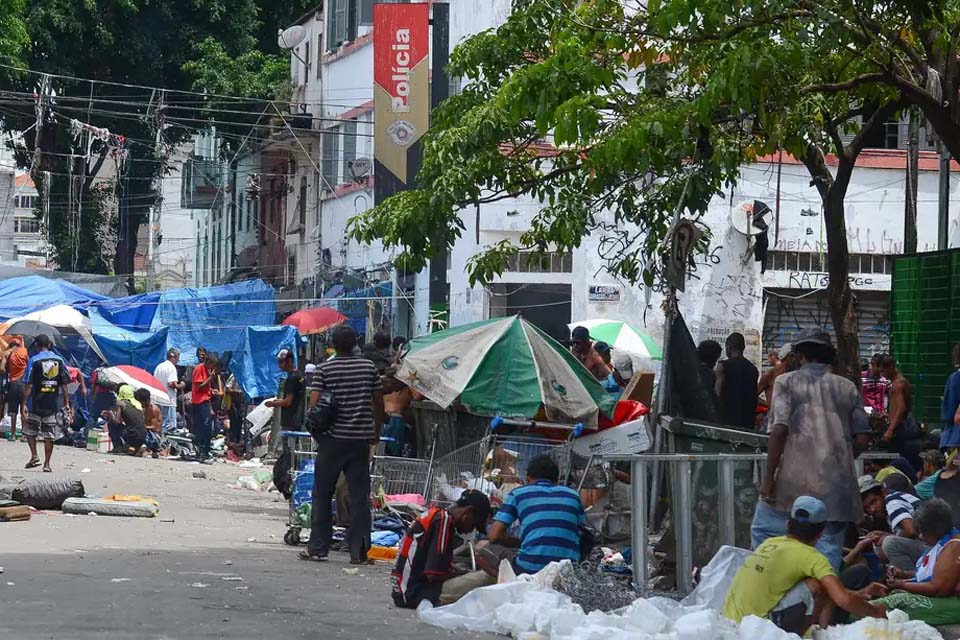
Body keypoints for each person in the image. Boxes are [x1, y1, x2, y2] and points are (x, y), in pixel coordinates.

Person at [753, 328, 871, 570]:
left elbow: (779, 430)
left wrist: (768, 480)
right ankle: (819, 603)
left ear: (800, 355)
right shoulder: (848, 387)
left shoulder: (786, 382)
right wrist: (840, 459)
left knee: (765, 534)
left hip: (792, 486)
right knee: (825, 559)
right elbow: (861, 440)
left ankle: (771, 594)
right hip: (837, 491)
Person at [723, 496, 887, 635]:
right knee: (818, 585)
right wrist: (875, 612)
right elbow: (842, 598)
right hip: (761, 631)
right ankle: (814, 634)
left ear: (788, 524)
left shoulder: (769, 543)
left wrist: (860, 593)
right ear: (821, 533)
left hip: (733, 625)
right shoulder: (812, 557)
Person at [300, 324, 385, 564]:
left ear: (333, 346)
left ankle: (317, 547)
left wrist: (318, 433)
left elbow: (314, 405)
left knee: (322, 494)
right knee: (358, 497)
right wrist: (374, 430)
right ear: (356, 343)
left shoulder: (324, 369)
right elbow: (378, 403)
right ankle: (359, 553)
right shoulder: (368, 368)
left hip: (331, 441)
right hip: (359, 440)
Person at [477, 455, 586, 578]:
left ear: (528, 479)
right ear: (556, 480)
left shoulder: (518, 494)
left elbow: (493, 536)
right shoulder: (573, 495)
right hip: (568, 570)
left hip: (529, 569)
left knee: (480, 547)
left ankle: (513, 584)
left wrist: (519, 543)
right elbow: (582, 531)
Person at [391, 490, 492, 608]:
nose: (471, 530)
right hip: (415, 594)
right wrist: (463, 573)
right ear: (468, 512)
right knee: (487, 577)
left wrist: (459, 571)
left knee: (465, 570)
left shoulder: (435, 515)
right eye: (474, 525)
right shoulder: (444, 522)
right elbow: (433, 574)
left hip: (402, 592)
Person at [871, 498, 960, 625]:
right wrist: (903, 574)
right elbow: (934, 575)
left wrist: (901, 584)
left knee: (899, 601)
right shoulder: (942, 544)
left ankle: (850, 612)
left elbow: (938, 588)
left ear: (935, 530)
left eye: (923, 533)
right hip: (947, 597)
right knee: (894, 596)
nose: (921, 537)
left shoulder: (954, 547)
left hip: (955, 604)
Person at [20, 335, 71, 473]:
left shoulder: (34, 360)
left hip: (35, 403)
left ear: (36, 345)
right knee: (49, 434)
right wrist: (66, 403)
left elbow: (29, 384)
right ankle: (47, 464)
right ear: (49, 344)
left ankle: (34, 455)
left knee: (30, 431)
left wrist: (23, 403)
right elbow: (65, 384)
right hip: (52, 403)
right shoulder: (59, 360)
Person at [859, 474, 925, 571]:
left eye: (874, 502)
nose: (872, 509)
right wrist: (885, 535)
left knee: (889, 543)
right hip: (929, 546)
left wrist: (887, 537)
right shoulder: (894, 499)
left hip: (934, 547)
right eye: (867, 507)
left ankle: (911, 579)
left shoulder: (891, 501)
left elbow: (911, 531)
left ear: (883, 493)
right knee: (880, 544)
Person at [878, 355, 924, 470]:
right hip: (897, 426)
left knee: (900, 461)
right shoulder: (895, 383)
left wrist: (890, 430)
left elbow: (902, 408)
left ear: (891, 366)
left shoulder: (899, 383)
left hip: (901, 429)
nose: (883, 374)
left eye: (884, 370)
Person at [715, 332, 759, 429]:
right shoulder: (753, 369)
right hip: (747, 424)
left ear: (729, 347)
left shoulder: (723, 366)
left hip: (726, 422)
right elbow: (754, 397)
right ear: (743, 347)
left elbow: (717, 394)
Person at [265, 349, 304, 431]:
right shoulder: (299, 374)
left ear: (289, 361)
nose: (279, 366)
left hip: (291, 421)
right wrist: (277, 401)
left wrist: (272, 404)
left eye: (281, 362)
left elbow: (288, 402)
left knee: (289, 443)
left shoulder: (292, 378)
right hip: (296, 419)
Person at [191, 353, 217, 463]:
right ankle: (201, 451)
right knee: (203, 428)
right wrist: (210, 378)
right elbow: (199, 387)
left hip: (205, 401)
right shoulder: (199, 369)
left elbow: (205, 389)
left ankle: (205, 450)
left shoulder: (207, 370)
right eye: (212, 365)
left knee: (207, 429)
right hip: (199, 402)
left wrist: (211, 391)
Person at [153, 348, 183, 434]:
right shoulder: (171, 368)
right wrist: (180, 386)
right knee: (170, 427)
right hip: (169, 400)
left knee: (161, 424)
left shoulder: (159, 366)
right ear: (174, 357)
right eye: (178, 358)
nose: (178, 360)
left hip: (158, 399)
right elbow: (171, 384)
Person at [4, 337, 27, 440]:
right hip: (23, 383)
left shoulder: (8, 354)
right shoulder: (24, 351)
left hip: (13, 383)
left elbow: (3, 369)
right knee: (23, 408)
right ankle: (24, 434)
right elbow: (29, 364)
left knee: (13, 410)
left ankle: (13, 434)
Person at [136, 387, 163, 458]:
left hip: (154, 436)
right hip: (147, 433)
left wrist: (142, 427)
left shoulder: (153, 409)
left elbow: (155, 428)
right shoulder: (144, 409)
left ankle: (150, 449)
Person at [862, 353, 891, 419]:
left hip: (881, 415)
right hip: (865, 416)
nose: (880, 369)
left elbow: (891, 396)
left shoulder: (885, 379)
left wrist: (887, 412)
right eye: (878, 366)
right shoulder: (862, 378)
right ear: (872, 364)